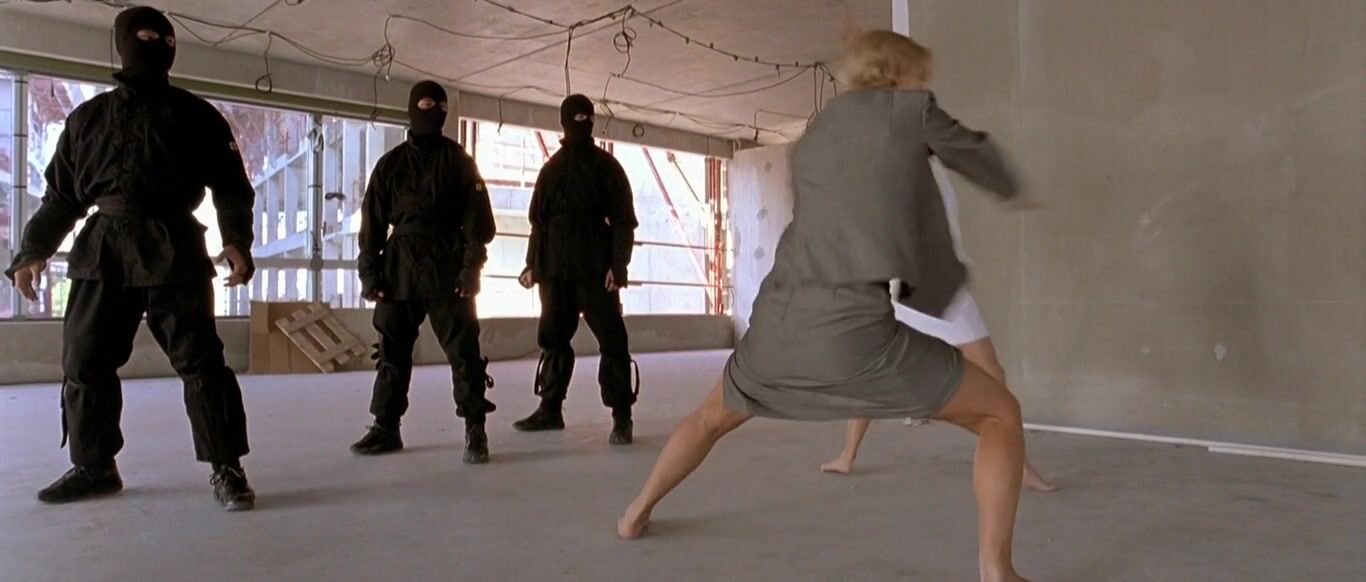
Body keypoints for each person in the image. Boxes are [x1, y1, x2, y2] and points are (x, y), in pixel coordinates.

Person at [618, 30, 1035, 581]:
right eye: (919, 73)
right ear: (897, 73)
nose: (925, 83)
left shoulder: (816, 132)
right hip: (851, 335)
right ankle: (996, 570)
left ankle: (634, 513)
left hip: (775, 324)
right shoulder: (910, 110)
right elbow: (977, 156)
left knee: (709, 420)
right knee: (1000, 413)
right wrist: (1016, 187)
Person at [5, 6, 258, 511]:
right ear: (122, 43)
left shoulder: (197, 115)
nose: (155, 44)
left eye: (164, 38)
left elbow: (232, 186)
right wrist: (33, 250)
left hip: (174, 246)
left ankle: (227, 467)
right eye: (143, 36)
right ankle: (94, 465)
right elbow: (61, 197)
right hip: (103, 250)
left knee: (202, 362)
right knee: (84, 360)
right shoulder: (88, 120)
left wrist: (236, 240)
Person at [819, 163, 1059, 493]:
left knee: (886, 372)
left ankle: (848, 455)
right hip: (928, 288)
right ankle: (1019, 467)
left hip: (930, 286)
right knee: (988, 375)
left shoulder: (925, 168)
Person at [348, 80, 497, 464]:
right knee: (391, 351)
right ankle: (385, 426)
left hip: (447, 267)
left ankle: (475, 428)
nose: (435, 112)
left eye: (441, 106)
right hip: (398, 270)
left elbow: (478, 222)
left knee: (464, 350)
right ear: (414, 108)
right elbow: (371, 223)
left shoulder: (459, 161)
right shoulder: (390, 165)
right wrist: (370, 274)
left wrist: (471, 269)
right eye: (428, 104)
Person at [513, 94, 639, 445]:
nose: (582, 122)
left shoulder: (607, 167)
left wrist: (619, 265)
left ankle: (622, 416)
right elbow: (538, 224)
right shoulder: (550, 170)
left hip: (596, 269)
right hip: (555, 270)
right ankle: (549, 409)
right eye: (576, 117)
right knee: (553, 338)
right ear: (564, 121)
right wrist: (531, 265)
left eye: (587, 117)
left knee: (612, 340)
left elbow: (623, 222)